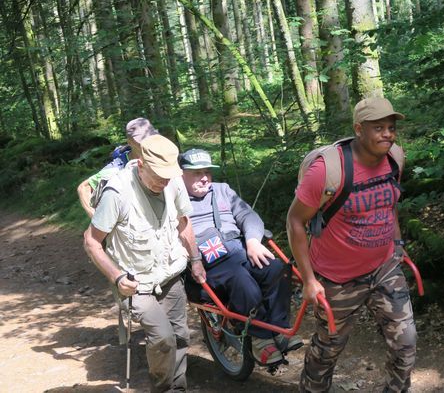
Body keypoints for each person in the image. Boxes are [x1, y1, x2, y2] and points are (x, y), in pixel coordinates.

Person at [286, 97, 417, 393]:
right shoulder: (326, 170)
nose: (388, 134)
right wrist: (308, 280)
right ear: (359, 129)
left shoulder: (395, 157)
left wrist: (397, 242)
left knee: (405, 345)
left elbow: (390, 202)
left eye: (391, 127)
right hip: (336, 278)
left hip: (384, 267)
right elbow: (295, 221)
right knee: (328, 350)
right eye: (379, 128)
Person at [83, 134, 206, 392]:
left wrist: (195, 259)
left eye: (168, 174)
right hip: (135, 282)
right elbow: (92, 242)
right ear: (141, 164)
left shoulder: (173, 182)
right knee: (162, 338)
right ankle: (162, 388)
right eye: (158, 174)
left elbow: (184, 223)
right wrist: (117, 277)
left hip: (170, 273)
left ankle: (177, 388)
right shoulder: (117, 193)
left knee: (180, 336)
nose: (164, 180)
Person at [180, 148, 303, 365]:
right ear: (181, 174)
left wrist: (253, 241)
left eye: (207, 172)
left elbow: (247, 215)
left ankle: (279, 329)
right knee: (241, 279)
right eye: (196, 173)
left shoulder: (222, 190)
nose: (204, 178)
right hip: (206, 259)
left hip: (239, 247)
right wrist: (192, 257)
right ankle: (260, 339)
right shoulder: (173, 199)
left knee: (276, 269)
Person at [77, 117, 158, 218]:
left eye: (149, 137)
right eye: (141, 139)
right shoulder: (117, 167)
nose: (146, 142)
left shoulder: (160, 157)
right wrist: (96, 219)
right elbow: (84, 188)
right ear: (130, 142)